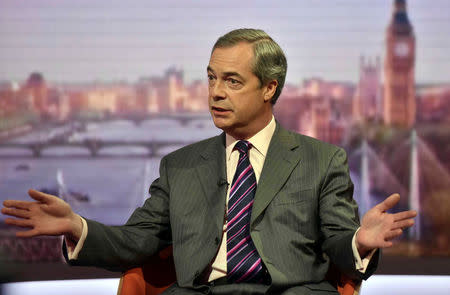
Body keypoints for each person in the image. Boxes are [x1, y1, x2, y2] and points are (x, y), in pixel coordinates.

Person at [1, 29, 416, 295]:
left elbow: (338, 239)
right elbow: (138, 241)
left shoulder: (321, 160)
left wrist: (359, 242)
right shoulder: (180, 165)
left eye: (232, 81)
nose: (215, 92)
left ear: (270, 87)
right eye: (211, 78)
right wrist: (79, 228)